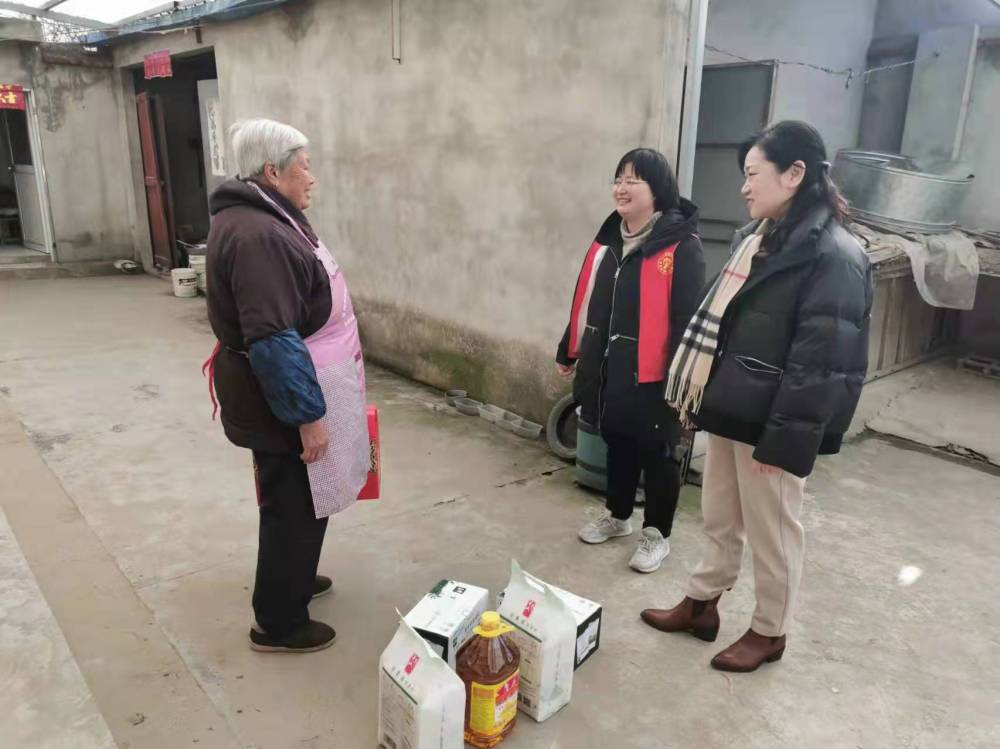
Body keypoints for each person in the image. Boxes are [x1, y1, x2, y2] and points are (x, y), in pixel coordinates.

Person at [640, 121, 873, 672]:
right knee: (720, 515)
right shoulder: (757, 240)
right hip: (734, 405)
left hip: (774, 419)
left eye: (753, 173)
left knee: (774, 531)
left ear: (794, 174)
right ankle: (702, 603)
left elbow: (822, 365)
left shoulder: (833, 255)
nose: (744, 187)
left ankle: (771, 631)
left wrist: (785, 442)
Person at [205, 118, 366, 653]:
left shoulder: (267, 216)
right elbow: (273, 338)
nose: (312, 177)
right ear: (272, 172)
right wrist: (308, 417)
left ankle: (293, 577)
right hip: (279, 397)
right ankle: (278, 621)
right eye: (305, 166)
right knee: (292, 501)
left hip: (290, 384)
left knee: (299, 497)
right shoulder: (259, 236)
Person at [556, 148, 705, 573]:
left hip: (656, 373)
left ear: (657, 190)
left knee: (658, 452)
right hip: (610, 366)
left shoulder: (681, 247)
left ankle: (657, 533)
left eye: (632, 180)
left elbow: (687, 322)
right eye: (618, 179)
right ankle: (618, 516)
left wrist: (681, 383)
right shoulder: (608, 242)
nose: (621, 188)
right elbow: (586, 301)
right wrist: (570, 350)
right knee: (617, 439)